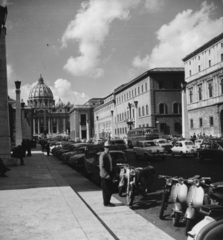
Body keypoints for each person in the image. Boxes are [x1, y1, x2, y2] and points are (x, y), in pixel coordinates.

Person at [99, 140, 115, 207]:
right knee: (106, 190)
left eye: (109, 147)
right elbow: (101, 166)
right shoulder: (103, 155)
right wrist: (106, 175)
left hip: (110, 173)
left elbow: (112, 164)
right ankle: (106, 203)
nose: (108, 149)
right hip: (105, 175)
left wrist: (112, 174)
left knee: (110, 189)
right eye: (107, 147)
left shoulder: (109, 155)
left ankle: (108, 201)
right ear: (104, 148)